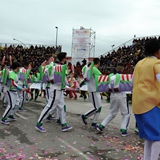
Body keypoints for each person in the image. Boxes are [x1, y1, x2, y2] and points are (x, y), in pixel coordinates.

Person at [132, 38, 160, 160]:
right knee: (158, 137)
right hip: (151, 104)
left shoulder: (139, 63)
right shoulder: (156, 64)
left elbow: (132, 81)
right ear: (158, 51)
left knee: (149, 138)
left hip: (137, 104)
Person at [35, 52, 72, 132]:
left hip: (58, 89)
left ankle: (64, 125)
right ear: (63, 59)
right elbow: (65, 80)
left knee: (61, 106)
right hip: (56, 89)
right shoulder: (61, 67)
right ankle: (39, 123)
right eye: (66, 58)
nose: (66, 59)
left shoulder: (53, 65)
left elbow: (45, 72)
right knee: (50, 106)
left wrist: (49, 79)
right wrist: (69, 84)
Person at [97, 63, 131, 136]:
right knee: (125, 113)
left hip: (112, 95)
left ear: (116, 69)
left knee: (112, 113)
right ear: (123, 70)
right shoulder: (124, 77)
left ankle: (101, 126)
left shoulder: (111, 76)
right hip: (121, 95)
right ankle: (123, 130)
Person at [81, 58, 102, 128]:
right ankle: (85, 116)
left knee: (99, 107)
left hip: (95, 90)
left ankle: (94, 122)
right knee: (97, 108)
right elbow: (101, 78)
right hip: (93, 90)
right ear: (98, 62)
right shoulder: (93, 69)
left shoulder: (89, 68)